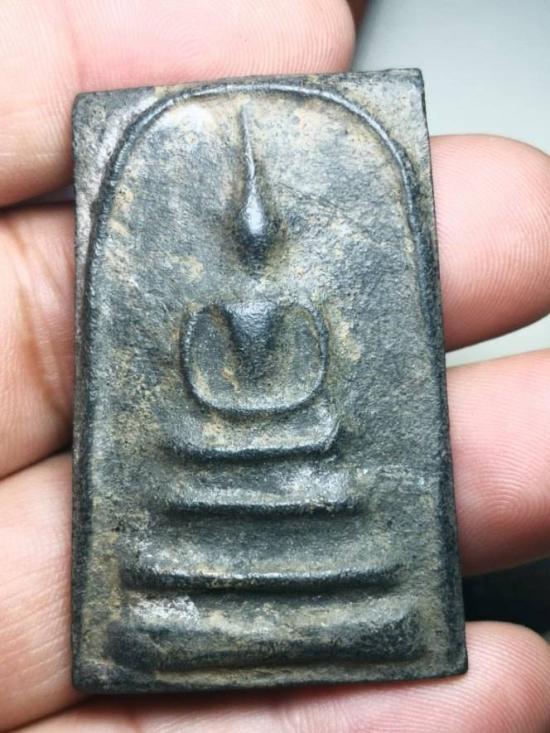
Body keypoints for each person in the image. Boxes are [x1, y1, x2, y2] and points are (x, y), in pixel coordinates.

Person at [1, 1, 549, 731]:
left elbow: (311, 374)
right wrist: (230, 412)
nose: (254, 239)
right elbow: (200, 378)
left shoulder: (296, 306)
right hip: (218, 444)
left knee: (332, 483)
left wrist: (281, 410)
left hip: (300, 439)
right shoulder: (210, 305)